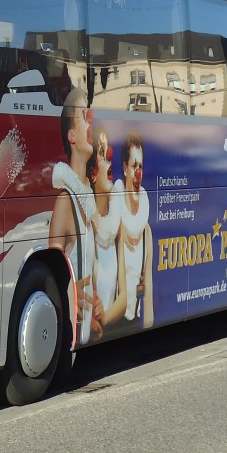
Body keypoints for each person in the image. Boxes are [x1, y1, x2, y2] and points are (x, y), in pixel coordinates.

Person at [48, 88, 101, 344]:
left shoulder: (88, 199)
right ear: (71, 135)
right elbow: (51, 275)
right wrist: (70, 292)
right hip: (73, 327)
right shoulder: (64, 202)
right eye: (83, 116)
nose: (90, 123)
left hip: (86, 328)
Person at [90, 126, 127, 336]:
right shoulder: (85, 223)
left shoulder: (116, 222)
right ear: (93, 173)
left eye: (109, 153)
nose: (110, 161)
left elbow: (124, 296)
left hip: (106, 328)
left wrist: (105, 317)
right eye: (102, 155)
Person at [119, 131, 153, 328]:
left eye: (141, 166)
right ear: (125, 168)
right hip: (114, 321)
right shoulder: (114, 222)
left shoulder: (146, 231)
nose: (138, 173)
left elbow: (148, 299)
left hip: (135, 322)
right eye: (134, 166)